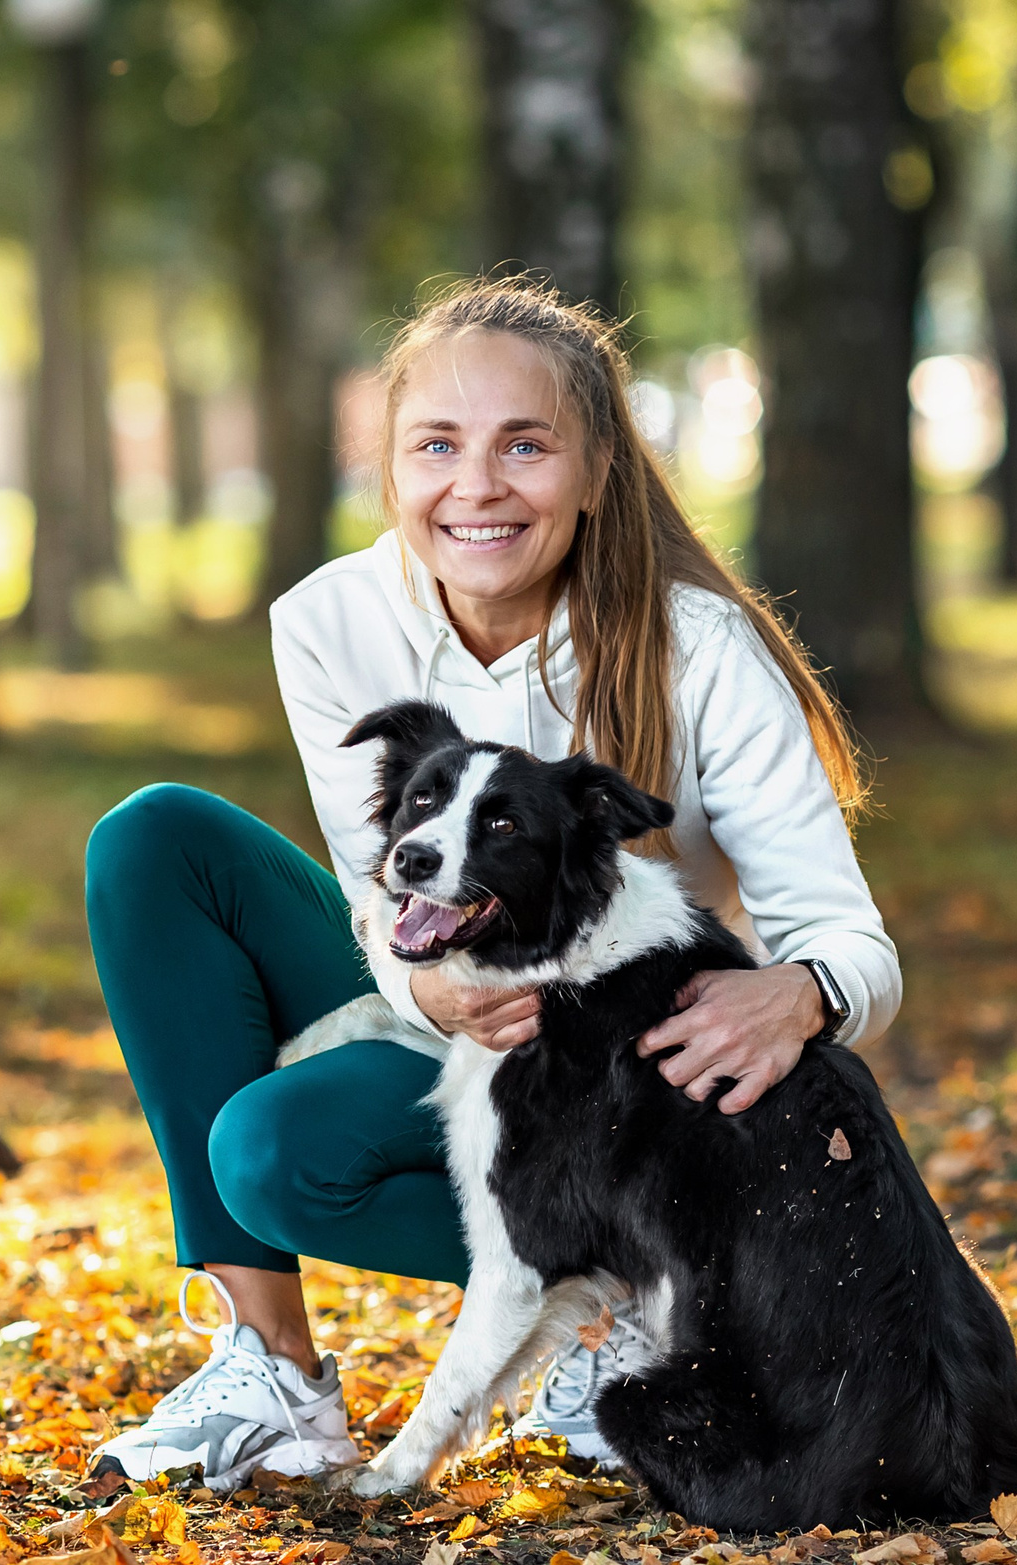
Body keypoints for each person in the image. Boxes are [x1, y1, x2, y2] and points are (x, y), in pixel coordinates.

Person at [83, 279, 901, 1491]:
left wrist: (802, 991)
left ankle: (619, 1305)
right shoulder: (328, 620)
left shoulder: (699, 647)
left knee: (272, 1147)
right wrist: (425, 993)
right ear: (389, 465)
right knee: (156, 842)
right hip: (447, 1005)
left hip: (620, 1082)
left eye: (525, 444)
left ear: (598, 469)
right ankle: (272, 1370)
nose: (477, 484)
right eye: (437, 445)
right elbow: (381, 894)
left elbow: (849, 940)